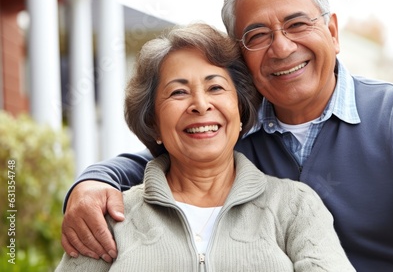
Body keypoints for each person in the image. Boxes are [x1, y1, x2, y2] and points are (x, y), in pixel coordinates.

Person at [61, 0, 393, 271]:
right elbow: (164, 155)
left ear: (332, 31)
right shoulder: (235, 126)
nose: (282, 47)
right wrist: (92, 181)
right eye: (257, 35)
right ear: (240, 56)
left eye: (297, 24)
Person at [56, 23, 355, 271]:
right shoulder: (110, 218)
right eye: (178, 92)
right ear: (154, 123)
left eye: (215, 87)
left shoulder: (295, 206)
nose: (200, 105)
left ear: (240, 111)